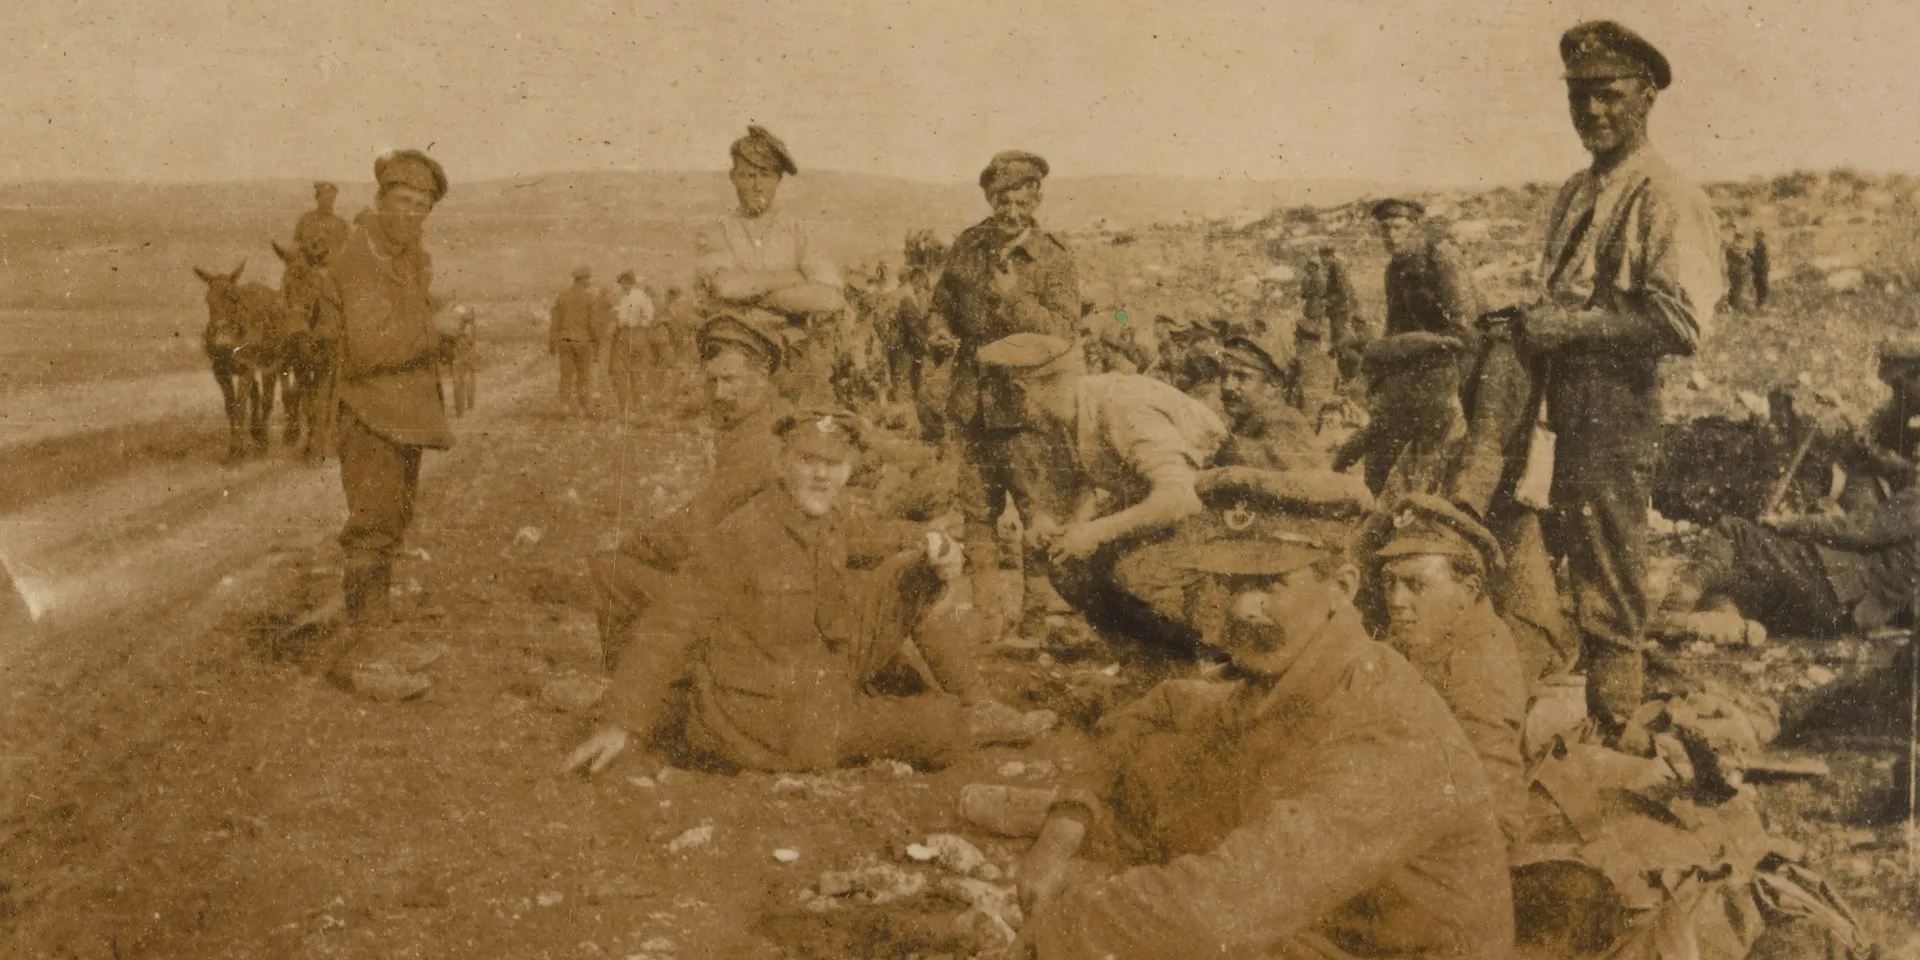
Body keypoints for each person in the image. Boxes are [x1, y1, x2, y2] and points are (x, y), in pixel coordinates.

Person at [1016, 499, 1513, 959]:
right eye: (1231, 585)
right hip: (1330, 929)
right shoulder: (1290, 678)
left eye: (1269, 585)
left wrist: (1059, 929)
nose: (1241, 607)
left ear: (1341, 588)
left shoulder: (1391, 729)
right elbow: (1167, 704)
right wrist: (1065, 825)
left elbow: (1226, 906)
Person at [566, 409, 1053, 777]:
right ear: (782, 465)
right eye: (808, 461)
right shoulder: (742, 535)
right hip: (773, 721)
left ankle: (980, 700)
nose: (821, 475)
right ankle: (969, 715)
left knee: (915, 569)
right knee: (940, 727)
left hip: (821, 680)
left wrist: (932, 544)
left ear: (847, 472)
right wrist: (619, 720)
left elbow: (872, 536)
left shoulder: (828, 515)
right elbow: (670, 625)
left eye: (833, 464)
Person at [1516, 20, 1723, 728]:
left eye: (1609, 96)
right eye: (1580, 98)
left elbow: (1681, 325)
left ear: (1646, 98)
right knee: (1552, 562)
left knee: (1607, 572)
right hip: (1559, 405)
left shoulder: (1667, 196)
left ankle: (1618, 737)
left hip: (1615, 407)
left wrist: (1567, 328)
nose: (1593, 113)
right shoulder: (1577, 190)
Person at [976, 333, 1227, 648]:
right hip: (1172, 509)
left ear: (1022, 390)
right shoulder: (1070, 413)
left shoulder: (1121, 406)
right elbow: (1087, 481)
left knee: (1135, 575)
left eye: (1005, 398)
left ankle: (1193, 659)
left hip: (1218, 511)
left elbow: (1180, 496)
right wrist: (1056, 525)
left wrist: (1095, 532)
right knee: (1067, 566)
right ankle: (1138, 659)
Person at [314, 149, 457, 701]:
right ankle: (366, 659)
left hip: (400, 417)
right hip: (372, 416)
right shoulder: (360, 260)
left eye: (422, 207)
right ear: (379, 201)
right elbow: (370, 347)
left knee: (390, 528)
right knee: (371, 533)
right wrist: (435, 328)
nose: (412, 215)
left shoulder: (404, 257)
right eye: (402, 202)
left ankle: (379, 642)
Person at [929, 151, 1081, 630]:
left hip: (1029, 403)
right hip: (973, 399)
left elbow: (1063, 330)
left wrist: (1016, 298)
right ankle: (988, 613)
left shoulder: (1054, 257)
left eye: (1022, 201)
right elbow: (942, 304)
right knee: (977, 510)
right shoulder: (968, 246)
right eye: (1003, 202)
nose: (1012, 212)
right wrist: (937, 330)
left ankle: (1036, 616)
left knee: (1037, 509)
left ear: (1037, 198)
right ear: (990, 199)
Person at [587, 314, 789, 670]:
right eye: (712, 382)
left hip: (755, 599)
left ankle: (635, 690)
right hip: (755, 580)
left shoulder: (760, 442)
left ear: (761, 378)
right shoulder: (756, 424)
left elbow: (697, 522)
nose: (720, 394)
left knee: (610, 570)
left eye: (731, 381)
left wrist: (633, 547)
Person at [1355, 494, 1529, 842]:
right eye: (1390, 582)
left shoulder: (1479, 663)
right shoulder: (1428, 629)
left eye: (1415, 584)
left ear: (1468, 590)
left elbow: (1499, 814)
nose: (1396, 600)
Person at [1652, 466, 1918, 643]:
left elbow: (1858, 529)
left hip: (1834, 585)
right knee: (1740, 578)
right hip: (1843, 618)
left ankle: (1672, 610)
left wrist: (1791, 523)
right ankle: (1724, 625)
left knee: (1734, 531)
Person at [694, 125, 846, 405]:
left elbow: (830, 297)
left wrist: (754, 293)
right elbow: (726, 286)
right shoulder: (717, 230)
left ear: (778, 180)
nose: (757, 185)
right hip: (736, 349)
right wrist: (794, 277)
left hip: (793, 352)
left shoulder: (800, 230)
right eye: (748, 175)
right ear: (733, 178)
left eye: (766, 175)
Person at [1374, 197, 1483, 345]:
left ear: (1414, 229)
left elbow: (1464, 322)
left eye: (1398, 228)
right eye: (1385, 228)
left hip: (1460, 347)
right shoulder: (1393, 270)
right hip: (1423, 350)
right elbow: (1394, 324)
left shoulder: (1441, 259)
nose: (1391, 236)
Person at [1214, 335, 1324, 471]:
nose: (1227, 386)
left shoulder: (1283, 424)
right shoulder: (1251, 421)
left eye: (1242, 377)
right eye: (1224, 375)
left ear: (1274, 384)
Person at [1838, 336, 1920, 511]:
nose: (1895, 390)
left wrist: (1874, 451)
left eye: (1898, 384)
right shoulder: (1906, 398)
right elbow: (1880, 420)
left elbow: (1914, 474)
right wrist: (1858, 426)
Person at [549, 266, 603, 418]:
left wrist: (552, 343)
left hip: (565, 341)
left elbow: (555, 322)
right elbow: (593, 324)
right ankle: (582, 408)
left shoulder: (563, 297)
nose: (589, 282)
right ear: (583, 280)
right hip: (583, 342)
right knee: (583, 375)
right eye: (588, 279)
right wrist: (597, 342)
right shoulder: (589, 298)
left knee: (566, 375)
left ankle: (565, 406)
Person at [607, 270, 657, 420]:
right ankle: (636, 408)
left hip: (628, 334)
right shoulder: (642, 297)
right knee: (635, 372)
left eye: (624, 283)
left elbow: (622, 320)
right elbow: (649, 316)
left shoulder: (626, 298)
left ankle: (627, 409)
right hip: (638, 335)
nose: (623, 286)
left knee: (622, 372)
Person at [1293, 257, 1338, 416]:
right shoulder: (1313, 279)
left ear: (1314, 267)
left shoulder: (1318, 280)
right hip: (1313, 306)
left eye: (1309, 267)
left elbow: (1312, 293)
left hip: (1315, 305)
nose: (1307, 270)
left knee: (1313, 324)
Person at [1320, 245, 1367, 389]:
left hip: (1341, 312)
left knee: (1340, 345)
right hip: (1338, 312)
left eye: (1324, 257)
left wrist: (1327, 300)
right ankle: (1345, 377)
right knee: (1338, 345)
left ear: (1330, 256)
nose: (1322, 260)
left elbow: (1343, 293)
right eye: (1322, 257)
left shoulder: (1337, 268)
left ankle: (1349, 377)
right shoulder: (1334, 268)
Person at [293, 181, 350, 268]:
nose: (328, 201)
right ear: (317, 197)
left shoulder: (341, 224)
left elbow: (345, 250)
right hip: (306, 268)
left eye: (331, 198)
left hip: (330, 270)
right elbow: (296, 243)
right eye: (324, 198)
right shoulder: (305, 220)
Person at [449, 304, 478, 418]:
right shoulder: (470, 327)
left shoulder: (457, 329)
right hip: (464, 358)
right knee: (466, 381)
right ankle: (466, 407)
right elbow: (471, 341)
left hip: (458, 358)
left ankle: (460, 410)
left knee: (459, 383)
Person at [1725, 231, 1753, 313]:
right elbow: (1739, 259)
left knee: (1738, 288)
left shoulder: (1737, 249)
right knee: (1734, 288)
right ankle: (1731, 305)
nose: (1740, 242)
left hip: (1738, 272)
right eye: (1739, 240)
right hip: (1734, 272)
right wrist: (1745, 257)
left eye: (1741, 240)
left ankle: (1735, 305)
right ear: (1736, 240)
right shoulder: (1731, 249)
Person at [1750, 229, 1771, 310]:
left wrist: (1750, 255)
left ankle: (1761, 303)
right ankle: (1760, 303)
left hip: (1760, 269)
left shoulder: (1761, 245)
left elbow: (1758, 258)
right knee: (1759, 285)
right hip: (1759, 269)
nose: (1756, 238)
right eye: (1756, 236)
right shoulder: (1760, 245)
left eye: (1757, 236)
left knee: (1760, 285)